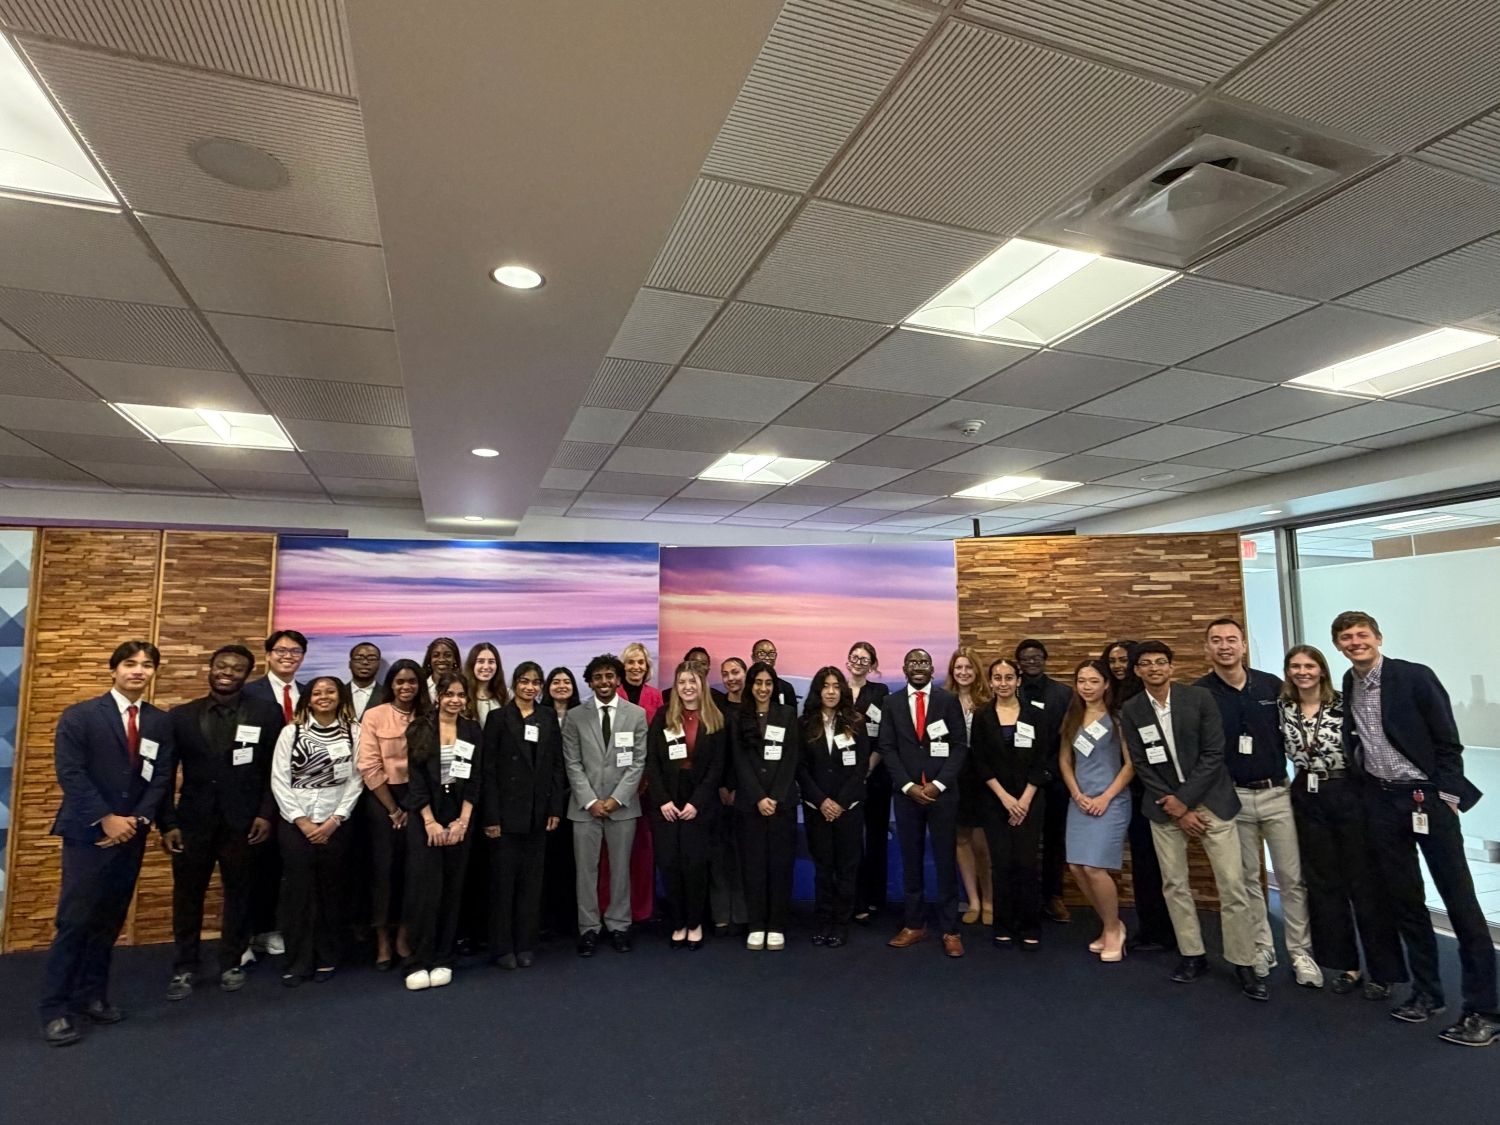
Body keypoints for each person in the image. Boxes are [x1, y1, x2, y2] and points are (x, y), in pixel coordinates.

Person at [1333, 610, 1499, 1046]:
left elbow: (1448, 741)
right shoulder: (1350, 682)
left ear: (1378, 637)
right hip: (1383, 802)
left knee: (1460, 903)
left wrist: (1447, 796)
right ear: (1338, 646)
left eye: (1362, 634)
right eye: (1346, 637)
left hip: (1427, 798)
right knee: (1406, 901)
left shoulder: (1413, 676)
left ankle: (1485, 1010)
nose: (1355, 642)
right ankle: (1428, 994)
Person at [39, 640, 175, 1047]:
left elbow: (162, 777)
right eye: (130, 663)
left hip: (131, 834)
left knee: (108, 921)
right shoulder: (81, 715)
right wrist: (107, 819)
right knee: (75, 920)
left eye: (147, 665)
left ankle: (91, 995)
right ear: (113, 669)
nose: (138, 671)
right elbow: (71, 773)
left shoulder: (159, 722)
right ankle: (55, 1008)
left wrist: (139, 820)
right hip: (88, 834)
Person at [1121, 641, 1264, 1000]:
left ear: (1171, 667)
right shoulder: (1132, 709)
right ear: (1137, 671)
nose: (1154, 668)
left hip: (1211, 800)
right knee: (1174, 884)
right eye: (1146, 664)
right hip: (1164, 807)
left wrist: (1185, 801)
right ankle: (1192, 954)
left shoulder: (1199, 698)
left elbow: (1214, 753)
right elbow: (1141, 763)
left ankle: (1243, 961)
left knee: (1232, 884)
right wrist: (1177, 807)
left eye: (1160, 662)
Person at [1196, 617, 1318, 988]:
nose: (1225, 646)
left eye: (1231, 639)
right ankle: (1262, 947)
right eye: (1216, 640)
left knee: (1292, 879)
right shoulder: (1199, 693)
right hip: (1232, 798)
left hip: (1277, 793)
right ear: (1207, 648)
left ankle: (1301, 952)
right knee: (1249, 879)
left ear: (1244, 645)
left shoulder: (1272, 686)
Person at [1279, 644, 1405, 1001]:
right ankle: (1346, 965)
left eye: (1309, 666)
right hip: (1306, 793)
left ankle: (1383, 971)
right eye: (1295, 666)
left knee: (1364, 883)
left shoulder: (1342, 703)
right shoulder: (1284, 706)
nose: (1302, 672)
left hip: (1347, 789)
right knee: (1324, 883)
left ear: (1321, 669)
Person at [159, 645, 283, 1000]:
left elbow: (274, 769)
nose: (228, 672)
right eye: (222, 666)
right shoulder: (181, 716)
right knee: (187, 896)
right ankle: (184, 966)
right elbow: (164, 773)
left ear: (247, 674)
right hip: (192, 822)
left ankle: (231, 961)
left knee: (239, 893)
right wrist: (167, 822)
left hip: (243, 822)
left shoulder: (266, 713)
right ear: (210, 668)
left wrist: (265, 814)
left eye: (237, 668)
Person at [270, 676, 363, 985]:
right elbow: (279, 779)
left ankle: (327, 956)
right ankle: (298, 961)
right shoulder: (292, 731)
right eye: (317, 693)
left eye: (330, 691)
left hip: (337, 825)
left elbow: (357, 779)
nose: (324, 697)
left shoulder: (354, 731)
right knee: (298, 894)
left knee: (331, 892)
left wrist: (335, 819)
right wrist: (302, 821)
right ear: (308, 699)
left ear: (340, 696)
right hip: (296, 825)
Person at [881, 648, 968, 958]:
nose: (918, 667)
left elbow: (959, 746)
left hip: (942, 794)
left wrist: (938, 784)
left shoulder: (948, 700)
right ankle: (914, 924)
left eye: (924, 662)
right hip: (907, 796)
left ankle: (950, 930)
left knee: (945, 861)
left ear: (933, 669)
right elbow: (887, 748)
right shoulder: (891, 703)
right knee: (911, 861)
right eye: (913, 662)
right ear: (904, 668)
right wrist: (908, 786)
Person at [562, 653, 648, 956]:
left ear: (618, 680)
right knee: (586, 872)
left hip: (622, 807)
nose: (604, 682)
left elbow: (638, 762)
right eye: (597, 677)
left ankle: (619, 925)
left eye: (609, 676)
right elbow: (572, 763)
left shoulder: (636, 714)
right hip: (584, 808)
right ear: (590, 682)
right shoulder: (575, 716)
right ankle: (588, 928)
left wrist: (615, 799)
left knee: (621, 869)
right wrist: (590, 801)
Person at [481, 662, 565, 970]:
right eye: (525, 681)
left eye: (536, 682)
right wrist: (491, 817)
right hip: (504, 815)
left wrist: (555, 807)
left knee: (532, 884)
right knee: (503, 885)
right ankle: (503, 947)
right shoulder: (498, 718)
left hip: (538, 813)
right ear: (515, 683)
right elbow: (488, 771)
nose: (530, 687)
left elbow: (556, 765)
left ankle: (526, 944)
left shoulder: (547, 717)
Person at [402, 674, 481, 990]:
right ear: (438, 697)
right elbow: (416, 779)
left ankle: (444, 958)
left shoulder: (472, 730)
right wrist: (429, 821)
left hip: (459, 817)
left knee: (452, 889)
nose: (455, 700)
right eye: (449, 694)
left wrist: (463, 821)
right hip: (426, 818)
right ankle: (418, 960)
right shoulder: (419, 728)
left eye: (460, 695)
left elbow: (475, 778)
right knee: (425, 892)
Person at [646, 663, 727, 949]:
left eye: (693, 681)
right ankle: (678, 922)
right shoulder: (663, 715)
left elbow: (717, 768)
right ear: (676, 686)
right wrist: (663, 800)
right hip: (667, 801)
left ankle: (694, 923)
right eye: (682, 682)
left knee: (695, 866)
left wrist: (697, 802)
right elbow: (651, 761)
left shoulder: (716, 718)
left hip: (700, 802)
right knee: (670, 864)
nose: (688, 687)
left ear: (702, 684)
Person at [1102, 639, 1174, 953]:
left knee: (1162, 865)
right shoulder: (1110, 696)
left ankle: (1166, 931)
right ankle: (1151, 928)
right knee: (1144, 862)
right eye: (1112, 661)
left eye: (1123, 660)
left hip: (1154, 786)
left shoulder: (1143, 699)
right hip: (1126, 789)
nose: (1118, 666)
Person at [1058, 659, 1132, 962]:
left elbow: (1131, 764)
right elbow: (1064, 761)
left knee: (1094, 868)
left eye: (1093, 681)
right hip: (1080, 801)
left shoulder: (1117, 718)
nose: (1087, 687)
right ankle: (1108, 924)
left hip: (1110, 802)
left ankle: (1114, 928)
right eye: (1081, 681)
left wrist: (1105, 797)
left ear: (1106, 684)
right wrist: (1076, 794)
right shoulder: (1072, 716)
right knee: (1077, 867)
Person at [971, 658, 1047, 950]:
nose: (1003, 683)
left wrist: (1023, 800)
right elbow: (980, 761)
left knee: (1026, 864)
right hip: (995, 801)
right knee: (1001, 864)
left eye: (1009, 677)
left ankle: (1030, 926)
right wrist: (1004, 798)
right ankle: (1003, 925)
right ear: (990, 682)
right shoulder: (982, 716)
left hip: (1030, 800)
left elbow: (1042, 759)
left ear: (1018, 681)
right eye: (997, 678)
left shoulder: (1035, 715)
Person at [356, 658, 427, 971]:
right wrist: (394, 809)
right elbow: (369, 766)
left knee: (413, 871)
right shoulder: (375, 715)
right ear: (391, 685)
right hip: (383, 799)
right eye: (400, 681)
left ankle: (404, 937)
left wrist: (415, 805)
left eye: (412, 681)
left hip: (420, 798)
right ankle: (383, 940)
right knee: (383, 872)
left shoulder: (427, 715)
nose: (406, 687)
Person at [243, 628, 309, 959]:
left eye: (295, 651)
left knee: (287, 869)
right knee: (253, 869)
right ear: (268, 655)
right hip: (257, 792)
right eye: (281, 650)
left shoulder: (309, 693)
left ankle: (274, 929)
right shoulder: (248, 693)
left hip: (302, 795)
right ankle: (245, 937)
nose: (288, 656)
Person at [798, 667, 867, 948]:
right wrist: (822, 801)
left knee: (846, 868)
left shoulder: (856, 722)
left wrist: (840, 802)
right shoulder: (804, 724)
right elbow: (800, 768)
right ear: (818, 690)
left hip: (848, 808)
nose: (830, 691)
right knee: (823, 868)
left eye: (836, 686)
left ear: (843, 691)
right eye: (825, 686)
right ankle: (823, 919)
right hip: (817, 808)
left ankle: (841, 923)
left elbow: (861, 766)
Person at [735, 661, 800, 950]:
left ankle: (776, 924)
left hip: (781, 804)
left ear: (774, 687)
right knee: (753, 866)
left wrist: (774, 796)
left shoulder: (787, 714)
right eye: (758, 682)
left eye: (768, 683)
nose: (763, 688)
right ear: (750, 685)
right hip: (750, 805)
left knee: (780, 866)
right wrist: (758, 797)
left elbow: (791, 758)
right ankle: (756, 924)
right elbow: (739, 761)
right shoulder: (738, 716)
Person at [1015, 639, 1072, 925]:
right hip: (1018, 781)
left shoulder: (1064, 694)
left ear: (1045, 659)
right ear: (1019, 663)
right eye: (1025, 658)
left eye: (1036, 657)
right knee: (1020, 842)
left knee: (1054, 840)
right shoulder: (1009, 691)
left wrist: (1048, 770)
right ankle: (1023, 898)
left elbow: (1068, 737)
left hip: (1054, 778)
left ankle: (1053, 896)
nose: (1031, 662)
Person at [615, 641, 661, 924]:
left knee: (643, 849)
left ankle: (642, 910)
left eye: (640, 662)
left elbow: (661, 741)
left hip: (647, 785)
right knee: (615, 852)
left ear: (647, 667)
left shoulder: (656, 697)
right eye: (630, 662)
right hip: (613, 784)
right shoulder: (612, 694)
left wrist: (646, 777)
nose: (635, 667)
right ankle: (614, 908)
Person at [947, 647, 992, 926]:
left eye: (968, 667)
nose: (963, 672)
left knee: (982, 844)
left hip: (983, 779)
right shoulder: (943, 701)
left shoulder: (988, 702)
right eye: (958, 668)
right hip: (953, 778)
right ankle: (973, 900)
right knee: (960, 840)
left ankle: (989, 900)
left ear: (977, 671)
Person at [848, 642, 892, 924]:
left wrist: (869, 766)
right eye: (855, 657)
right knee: (851, 840)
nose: (859, 662)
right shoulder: (837, 689)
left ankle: (876, 897)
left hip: (876, 774)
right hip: (844, 777)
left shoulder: (880, 692)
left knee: (876, 837)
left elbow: (885, 734)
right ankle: (855, 897)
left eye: (865, 659)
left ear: (873, 664)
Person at [709, 656, 749, 936]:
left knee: (744, 855)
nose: (731, 678)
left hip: (748, 792)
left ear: (745, 673)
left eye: (735, 672)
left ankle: (744, 913)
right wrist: (722, 787)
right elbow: (713, 752)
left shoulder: (755, 708)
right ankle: (721, 913)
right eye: (725, 674)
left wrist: (739, 787)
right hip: (718, 792)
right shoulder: (716, 708)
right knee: (719, 855)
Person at [541, 667, 581, 938]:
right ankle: (546, 919)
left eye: (567, 681)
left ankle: (570, 919)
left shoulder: (582, 715)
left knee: (572, 860)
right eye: (556, 682)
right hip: (546, 797)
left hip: (576, 795)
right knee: (548, 860)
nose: (561, 686)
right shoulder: (540, 716)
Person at [464, 642, 508, 727]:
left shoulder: (506, 695)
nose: (486, 667)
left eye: (491, 662)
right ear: (472, 664)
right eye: (481, 661)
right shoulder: (462, 695)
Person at [751, 638, 798, 709]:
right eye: (762, 654)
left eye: (771, 654)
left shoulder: (786, 688)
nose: (767, 658)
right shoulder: (746, 686)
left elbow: (792, 714)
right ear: (753, 657)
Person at [346, 642, 386, 720]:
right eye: (359, 658)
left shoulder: (388, 696)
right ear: (350, 664)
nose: (365, 662)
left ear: (379, 665)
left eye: (371, 659)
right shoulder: (339, 693)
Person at [421, 637, 461, 705]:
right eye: (436, 655)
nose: (441, 659)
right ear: (429, 659)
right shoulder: (421, 687)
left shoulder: (463, 687)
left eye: (447, 655)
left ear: (455, 659)